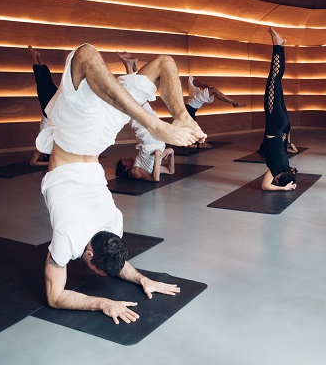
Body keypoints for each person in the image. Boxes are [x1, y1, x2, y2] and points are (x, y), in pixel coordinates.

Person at [37, 44, 205, 324]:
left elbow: (117, 264)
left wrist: (142, 279)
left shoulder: (115, 225)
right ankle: (156, 123)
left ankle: (182, 114)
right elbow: (55, 296)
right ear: (88, 253)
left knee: (164, 62)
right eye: (94, 268)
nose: (93, 269)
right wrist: (102, 303)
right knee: (86, 56)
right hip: (76, 139)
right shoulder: (68, 239)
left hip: (102, 135)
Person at [114, 52, 176, 181]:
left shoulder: (140, 165)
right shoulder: (135, 171)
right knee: (130, 101)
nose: (127, 158)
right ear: (126, 168)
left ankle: (131, 66)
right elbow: (159, 177)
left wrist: (160, 155)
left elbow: (168, 172)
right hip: (152, 136)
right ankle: (130, 65)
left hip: (150, 136)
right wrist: (171, 154)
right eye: (125, 161)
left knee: (139, 99)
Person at [259, 26, 298, 192]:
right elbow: (264, 186)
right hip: (275, 121)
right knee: (273, 79)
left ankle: (281, 46)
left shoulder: (286, 164)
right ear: (278, 178)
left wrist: (289, 183)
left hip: (283, 123)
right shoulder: (276, 169)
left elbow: (285, 143)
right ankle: (277, 45)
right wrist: (283, 189)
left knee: (277, 81)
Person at [184, 75, 246, 148]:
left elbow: (218, 95)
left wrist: (207, 87)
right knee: (194, 127)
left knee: (194, 127)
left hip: (190, 108)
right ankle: (199, 143)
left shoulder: (194, 90)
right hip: (189, 108)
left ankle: (199, 142)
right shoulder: (192, 81)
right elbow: (202, 84)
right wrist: (207, 86)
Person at [28, 45, 56, 166]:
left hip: (48, 110)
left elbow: (32, 162)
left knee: (40, 80)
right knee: (48, 80)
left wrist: (48, 163)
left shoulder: (41, 144)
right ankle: (38, 57)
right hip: (57, 107)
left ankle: (32, 55)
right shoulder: (53, 143)